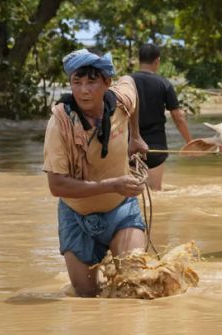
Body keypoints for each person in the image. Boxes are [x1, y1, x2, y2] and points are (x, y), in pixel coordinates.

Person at [43, 49, 149, 297]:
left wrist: (136, 136)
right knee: (86, 296)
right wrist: (114, 184)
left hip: (121, 209)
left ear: (107, 83)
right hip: (76, 215)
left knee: (135, 284)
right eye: (77, 83)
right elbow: (56, 186)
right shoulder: (60, 123)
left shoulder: (121, 101)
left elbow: (131, 83)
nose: (84, 90)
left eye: (91, 82)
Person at [131, 44, 192, 190]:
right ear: (157, 61)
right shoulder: (164, 83)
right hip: (155, 146)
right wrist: (189, 142)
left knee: (132, 193)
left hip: (130, 145)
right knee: (155, 192)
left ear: (139, 60)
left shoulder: (127, 81)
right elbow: (178, 117)